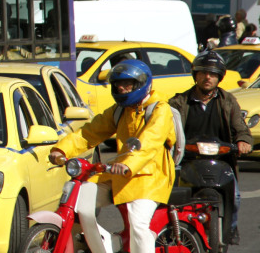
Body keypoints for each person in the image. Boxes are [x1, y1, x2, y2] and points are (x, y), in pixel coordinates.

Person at [48, 60, 174, 253]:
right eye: (117, 85)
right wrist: (61, 150)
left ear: (142, 84)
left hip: (151, 176)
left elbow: (150, 142)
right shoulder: (120, 110)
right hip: (119, 172)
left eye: (127, 84)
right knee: (81, 202)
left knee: (138, 225)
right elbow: (90, 131)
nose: (122, 89)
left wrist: (128, 165)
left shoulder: (160, 109)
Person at [168, 50, 252, 245]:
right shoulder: (179, 102)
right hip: (187, 161)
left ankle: (230, 231)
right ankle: (175, 234)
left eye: (213, 74)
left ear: (219, 77)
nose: (208, 77)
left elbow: (240, 127)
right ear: (195, 74)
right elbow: (167, 129)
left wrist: (243, 141)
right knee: (171, 199)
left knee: (236, 198)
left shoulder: (228, 101)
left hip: (222, 162)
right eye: (203, 72)